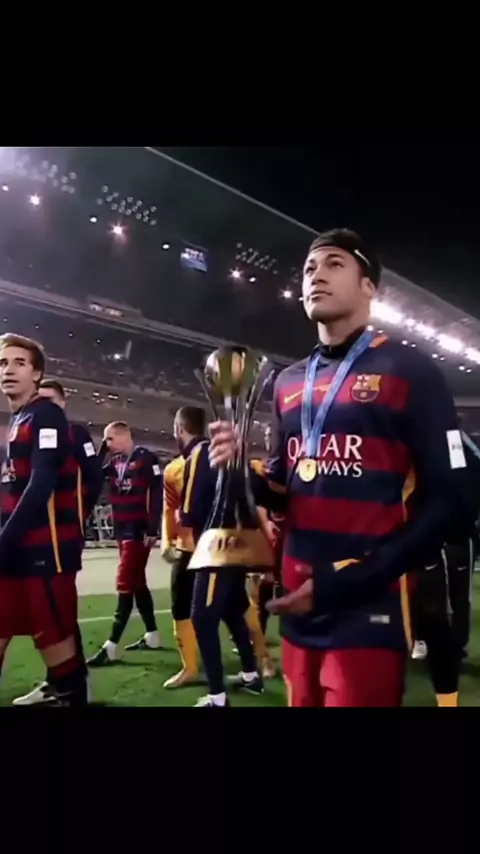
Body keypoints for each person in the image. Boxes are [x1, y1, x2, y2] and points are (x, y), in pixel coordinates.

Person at [209, 228, 474, 707]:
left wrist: (352, 579)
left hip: (367, 602)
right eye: (309, 268)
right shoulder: (288, 382)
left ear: (369, 286)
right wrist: (241, 471)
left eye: (334, 264)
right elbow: (284, 485)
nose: (316, 275)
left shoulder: (410, 370)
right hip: (297, 602)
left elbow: (452, 501)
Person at [0, 334, 88, 706]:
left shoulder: (45, 414)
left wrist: (3, 542)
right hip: (16, 551)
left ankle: (72, 696)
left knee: (55, 641)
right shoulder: (18, 419)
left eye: (19, 363)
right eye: (3, 363)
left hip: (44, 553)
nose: (8, 370)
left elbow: (41, 485)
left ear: (37, 374)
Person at [11, 378, 103, 705]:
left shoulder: (75, 433)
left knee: (58, 612)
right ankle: (60, 682)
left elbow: (94, 478)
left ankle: (74, 685)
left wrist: (78, 516)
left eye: (50, 400)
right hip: (33, 538)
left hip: (57, 539)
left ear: (62, 403)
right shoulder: (27, 426)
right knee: (49, 615)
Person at [181, 437, 263, 707]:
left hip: (216, 544)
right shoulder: (236, 455)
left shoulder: (202, 451)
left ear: (180, 428)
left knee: (202, 618)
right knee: (232, 609)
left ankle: (217, 697)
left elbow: (190, 508)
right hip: (238, 541)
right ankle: (251, 675)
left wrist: (191, 528)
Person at [87, 421, 163, 666]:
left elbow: (157, 493)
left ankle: (111, 646)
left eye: (109, 439)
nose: (107, 444)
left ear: (124, 435)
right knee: (137, 581)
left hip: (138, 530)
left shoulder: (146, 458)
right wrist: (101, 451)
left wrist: (153, 527)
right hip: (122, 529)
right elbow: (92, 474)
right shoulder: (114, 462)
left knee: (125, 581)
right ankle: (152, 636)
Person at [162, 407, 207, 689]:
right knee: (234, 606)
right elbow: (169, 508)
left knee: (233, 607)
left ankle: (259, 659)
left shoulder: (187, 465)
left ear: (179, 428)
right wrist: (167, 540)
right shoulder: (174, 469)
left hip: (202, 548)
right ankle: (190, 667)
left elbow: (171, 510)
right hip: (205, 548)